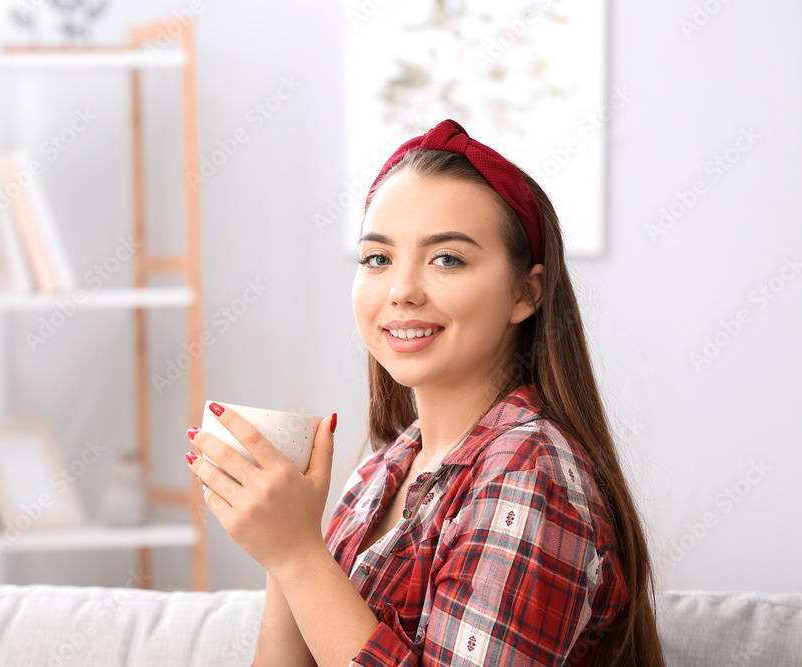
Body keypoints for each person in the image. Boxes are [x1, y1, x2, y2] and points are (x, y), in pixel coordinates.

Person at [184, 118, 665, 666]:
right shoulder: (383, 469)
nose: (402, 290)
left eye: (447, 259)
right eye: (377, 259)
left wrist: (297, 554)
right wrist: (281, 545)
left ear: (525, 293)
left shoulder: (529, 472)